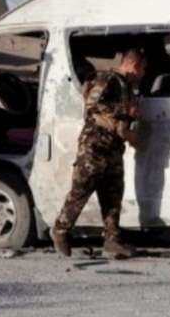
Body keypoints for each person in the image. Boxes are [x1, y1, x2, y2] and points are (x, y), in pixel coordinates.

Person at [51, 48, 147, 258]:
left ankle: (112, 241)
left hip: (113, 147)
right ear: (134, 65)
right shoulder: (107, 79)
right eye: (143, 69)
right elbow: (92, 105)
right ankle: (60, 230)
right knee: (81, 189)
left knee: (113, 196)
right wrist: (123, 112)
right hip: (94, 145)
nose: (144, 74)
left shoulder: (127, 87)